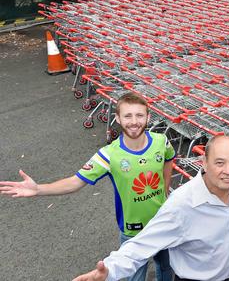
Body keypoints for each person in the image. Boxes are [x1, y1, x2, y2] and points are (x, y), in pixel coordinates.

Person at [0, 92, 175, 281]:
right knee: (135, 276)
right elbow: (75, 182)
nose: (134, 121)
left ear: (148, 117)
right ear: (117, 118)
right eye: (127, 116)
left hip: (162, 221)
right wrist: (38, 189)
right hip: (132, 230)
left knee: (167, 267)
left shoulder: (160, 141)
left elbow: (168, 160)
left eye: (140, 115)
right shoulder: (108, 155)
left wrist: (165, 191)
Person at [72, 135, 229, 281]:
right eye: (219, 163)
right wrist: (109, 270)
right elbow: (142, 244)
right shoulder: (181, 206)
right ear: (204, 163)